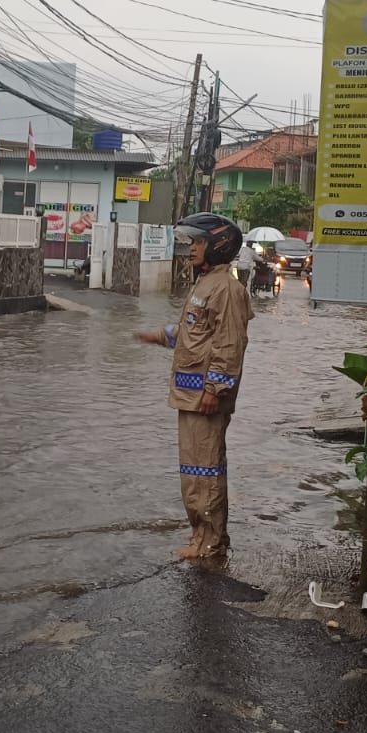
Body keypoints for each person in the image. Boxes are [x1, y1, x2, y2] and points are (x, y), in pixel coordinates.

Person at [134, 212, 254, 560]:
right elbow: (194, 334)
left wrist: (214, 390)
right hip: (189, 394)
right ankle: (204, 535)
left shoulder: (227, 290)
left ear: (217, 245)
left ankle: (209, 542)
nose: (191, 249)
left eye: (198, 243)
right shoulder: (205, 284)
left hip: (205, 397)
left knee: (204, 470)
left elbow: (230, 345)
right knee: (194, 470)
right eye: (191, 242)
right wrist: (156, 336)